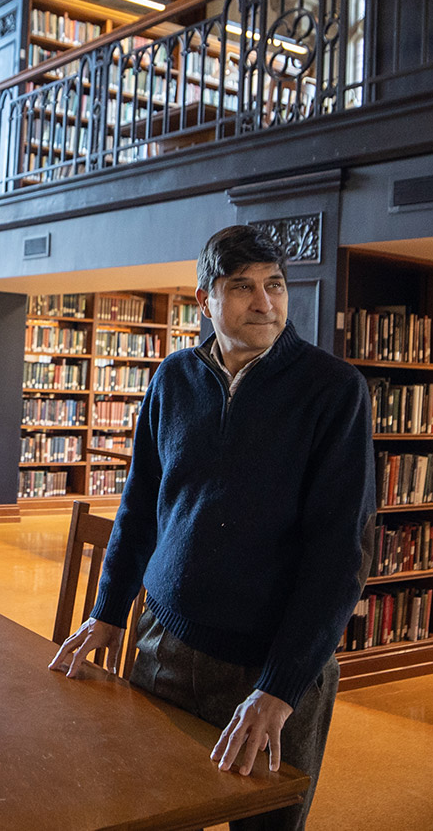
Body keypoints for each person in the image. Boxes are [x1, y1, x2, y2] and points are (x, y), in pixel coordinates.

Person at [49, 224, 376, 831]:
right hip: (163, 647)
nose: (265, 302)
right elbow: (141, 504)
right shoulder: (173, 380)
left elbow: (340, 556)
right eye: (243, 286)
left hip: (272, 670)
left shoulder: (333, 392)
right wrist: (108, 610)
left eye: (275, 285)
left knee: (264, 826)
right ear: (206, 299)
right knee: (150, 810)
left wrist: (282, 685)